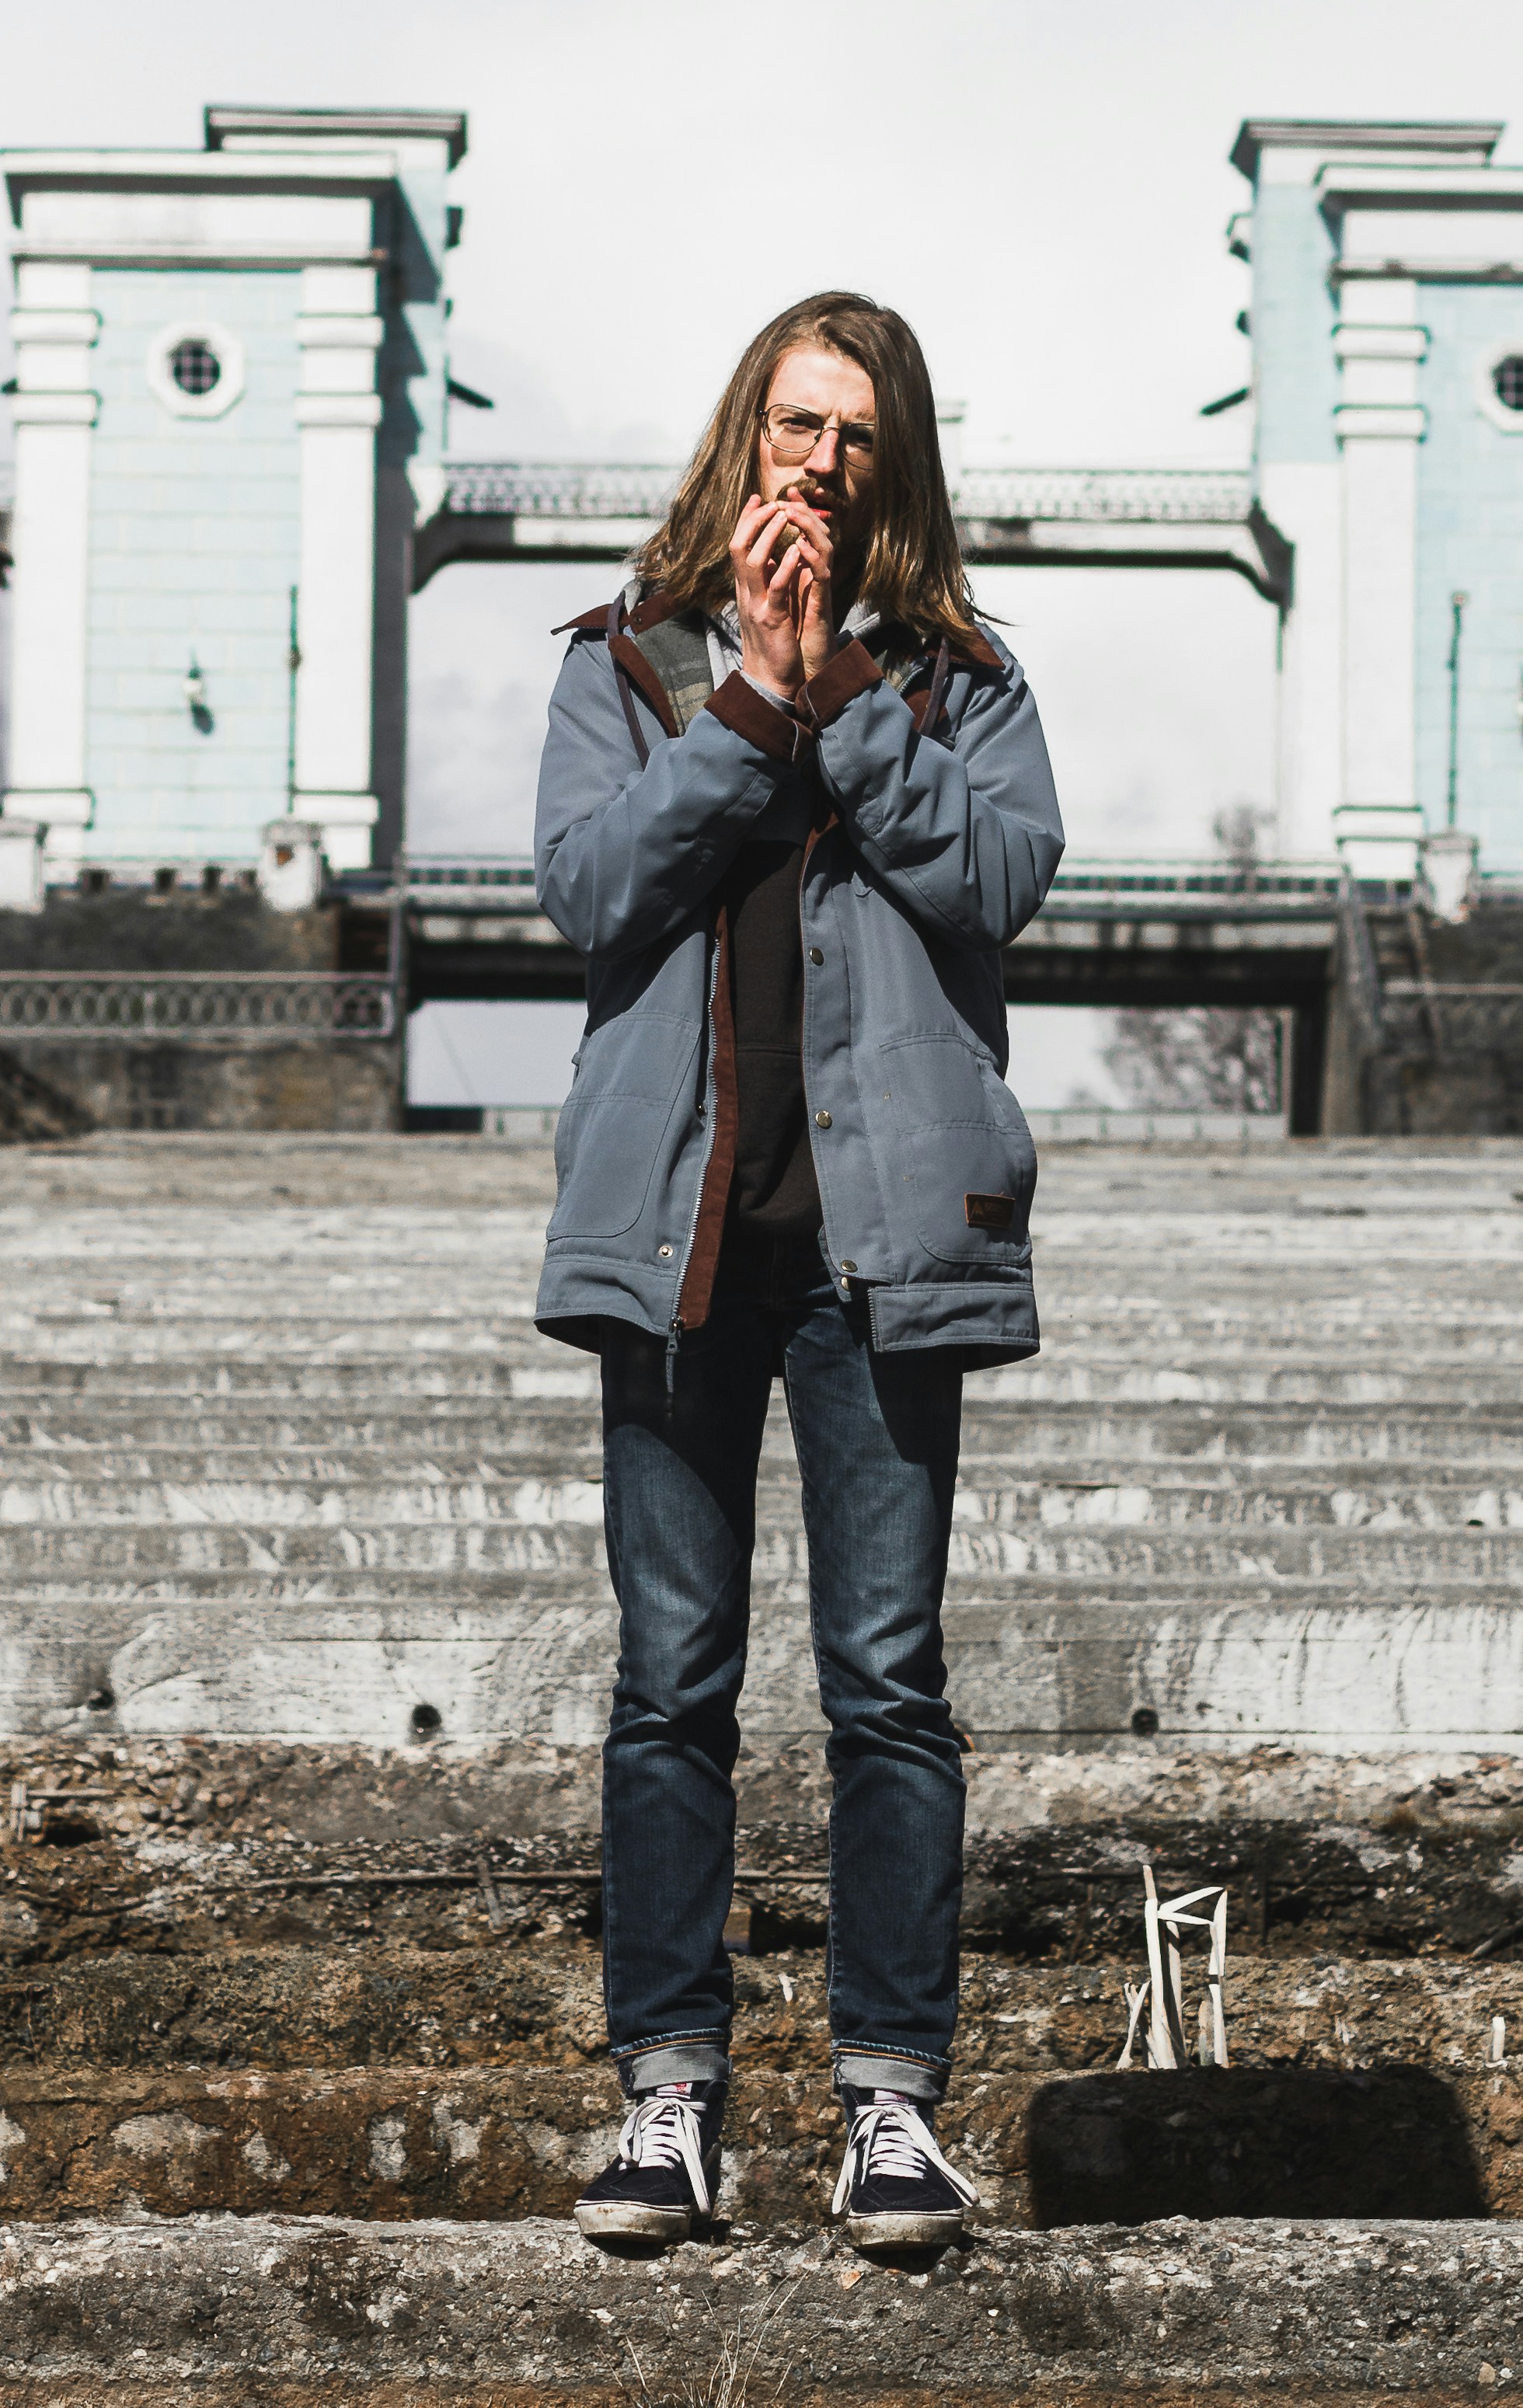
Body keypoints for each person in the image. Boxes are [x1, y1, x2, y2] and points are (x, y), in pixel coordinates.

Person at [529, 290, 1063, 2253]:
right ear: (742, 436)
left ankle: (891, 2110)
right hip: (680, 1246)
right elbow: (587, 887)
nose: (816, 461)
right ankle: (668, 2098)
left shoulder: (961, 683)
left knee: (889, 1685)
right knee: (671, 1682)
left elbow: (1001, 877)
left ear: (891, 463)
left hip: (878, 1256)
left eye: (854, 434)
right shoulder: (627, 663)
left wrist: (837, 683)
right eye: (791, 423)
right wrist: (747, 698)